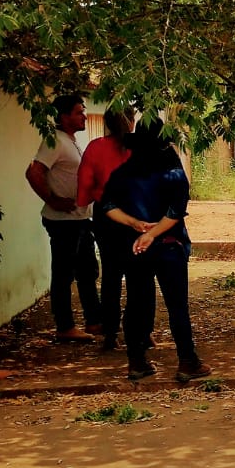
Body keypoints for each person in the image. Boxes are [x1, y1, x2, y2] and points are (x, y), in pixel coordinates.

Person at [102, 119, 210, 383]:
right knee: (177, 306)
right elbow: (175, 213)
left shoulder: (122, 174)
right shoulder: (173, 174)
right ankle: (187, 361)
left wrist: (134, 224)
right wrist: (152, 234)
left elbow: (106, 205)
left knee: (137, 303)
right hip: (168, 247)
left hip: (136, 247)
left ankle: (136, 362)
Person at [25, 93, 100, 343]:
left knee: (88, 271)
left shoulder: (72, 140)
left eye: (83, 111)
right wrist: (53, 200)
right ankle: (65, 326)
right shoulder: (53, 141)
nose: (84, 116)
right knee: (64, 274)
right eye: (79, 112)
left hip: (80, 218)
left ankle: (94, 320)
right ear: (64, 116)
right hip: (63, 221)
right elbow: (34, 173)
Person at [77, 109, 136, 353]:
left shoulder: (95, 147)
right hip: (137, 215)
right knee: (138, 276)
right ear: (132, 121)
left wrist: (90, 199)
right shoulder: (140, 148)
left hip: (106, 216)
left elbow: (83, 188)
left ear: (106, 123)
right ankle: (140, 331)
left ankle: (111, 333)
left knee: (111, 276)